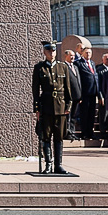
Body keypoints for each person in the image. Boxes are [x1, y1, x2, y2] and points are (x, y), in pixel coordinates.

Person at [32, 41, 72, 174]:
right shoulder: (39, 68)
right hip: (46, 105)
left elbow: (67, 88)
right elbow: (35, 90)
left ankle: (58, 165)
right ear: (44, 52)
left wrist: (68, 105)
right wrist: (37, 108)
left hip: (60, 106)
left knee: (59, 137)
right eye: (49, 50)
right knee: (46, 136)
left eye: (53, 50)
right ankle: (48, 164)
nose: (51, 53)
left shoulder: (63, 67)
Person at [74, 47, 99, 140]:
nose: (88, 54)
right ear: (82, 54)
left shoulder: (92, 63)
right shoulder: (78, 63)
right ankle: (84, 132)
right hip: (84, 93)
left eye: (89, 53)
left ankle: (90, 132)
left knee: (91, 114)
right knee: (84, 114)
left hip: (93, 93)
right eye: (86, 53)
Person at [61, 50, 82, 141]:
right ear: (66, 56)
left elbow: (78, 81)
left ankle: (72, 132)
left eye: (73, 56)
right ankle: (66, 132)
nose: (73, 57)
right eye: (71, 55)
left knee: (73, 116)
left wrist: (80, 95)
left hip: (77, 97)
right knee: (67, 116)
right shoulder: (63, 67)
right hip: (68, 97)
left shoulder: (76, 67)